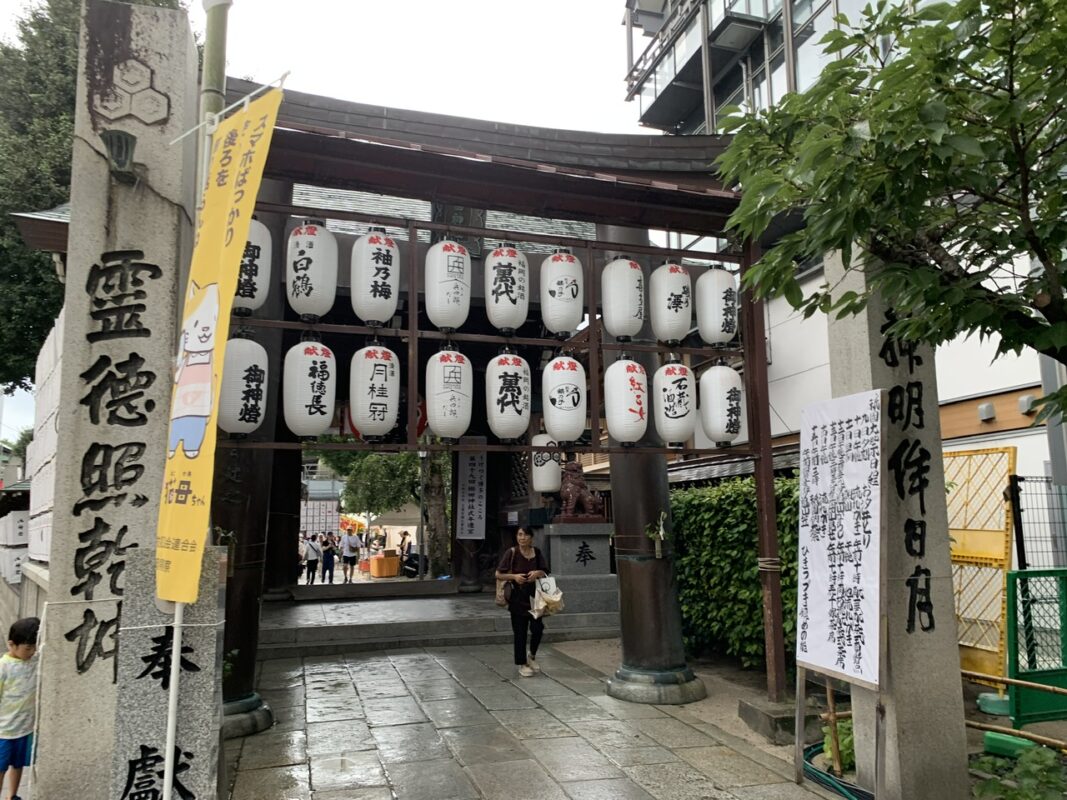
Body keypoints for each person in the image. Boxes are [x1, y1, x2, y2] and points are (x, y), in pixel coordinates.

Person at [495, 527, 549, 678]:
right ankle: (522, 663)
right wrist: (514, 577)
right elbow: (498, 574)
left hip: (536, 598)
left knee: (538, 628)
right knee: (520, 632)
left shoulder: (537, 552)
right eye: (519, 534)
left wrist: (537, 573)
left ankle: (531, 655)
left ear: (531, 538)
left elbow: (545, 571)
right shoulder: (511, 553)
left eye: (525, 535)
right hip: (517, 598)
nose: (522, 538)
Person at [0, 617, 39, 800]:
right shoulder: (3, 667)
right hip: (4, 731)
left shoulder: (33, 660)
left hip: (25, 728)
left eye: (34, 647)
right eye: (27, 648)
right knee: (0, 767)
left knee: (18, 764)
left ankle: (12, 796)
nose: (32, 652)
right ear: (11, 645)